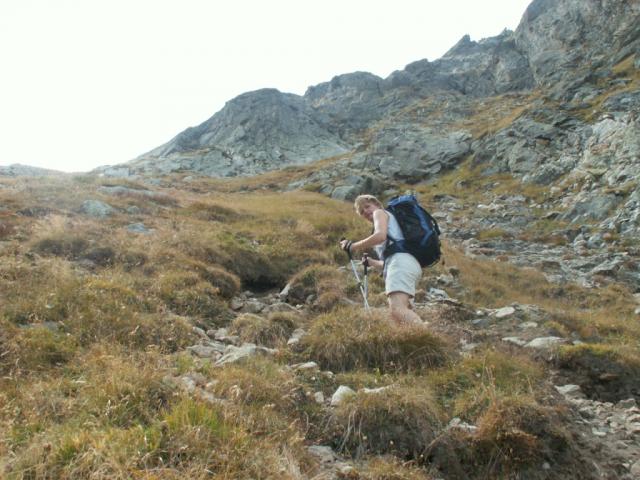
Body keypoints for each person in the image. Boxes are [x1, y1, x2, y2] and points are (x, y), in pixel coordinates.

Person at [339, 194, 423, 326]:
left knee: (397, 310)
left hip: (401, 263)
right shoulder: (391, 225)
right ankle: (422, 335)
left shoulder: (379, 213)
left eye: (367, 206)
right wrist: (372, 263)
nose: (366, 211)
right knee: (400, 319)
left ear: (377, 204)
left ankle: (429, 336)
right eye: (362, 212)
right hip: (409, 264)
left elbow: (380, 236)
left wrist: (352, 246)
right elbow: (390, 261)